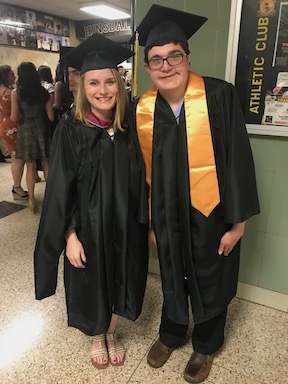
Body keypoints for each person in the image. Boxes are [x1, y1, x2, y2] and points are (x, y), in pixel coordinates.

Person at [128, 5, 260, 384]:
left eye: (174, 56)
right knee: (171, 274)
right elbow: (140, 173)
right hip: (167, 215)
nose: (166, 65)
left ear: (188, 57)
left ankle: (206, 343)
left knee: (211, 274)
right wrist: (150, 221)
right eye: (156, 59)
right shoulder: (143, 109)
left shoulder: (219, 95)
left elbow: (238, 160)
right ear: (148, 68)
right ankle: (171, 332)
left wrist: (238, 224)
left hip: (212, 214)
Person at [34, 33, 149, 370]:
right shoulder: (71, 131)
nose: (103, 90)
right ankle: (97, 335)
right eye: (94, 82)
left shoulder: (128, 129)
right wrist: (69, 236)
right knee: (92, 279)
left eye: (110, 81)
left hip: (126, 225)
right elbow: (59, 191)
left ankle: (111, 330)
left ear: (119, 83)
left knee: (121, 276)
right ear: (81, 87)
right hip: (88, 228)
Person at [10, 62, 54, 213]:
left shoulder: (16, 93)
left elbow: (14, 117)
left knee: (30, 166)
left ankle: (32, 199)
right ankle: (50, 197)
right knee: (46, 163)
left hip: (26, 131)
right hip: (42, 130)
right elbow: (51, 116)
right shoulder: (44, 93)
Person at [0, 65, 28, 199]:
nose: (14, 77)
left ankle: (17, 186)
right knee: (18, 159)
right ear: (5, 76)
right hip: (13, 127)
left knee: (14, 157)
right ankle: (17, 187)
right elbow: (16, 115)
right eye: (11, 74)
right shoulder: (10, 93)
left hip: (3, 127)